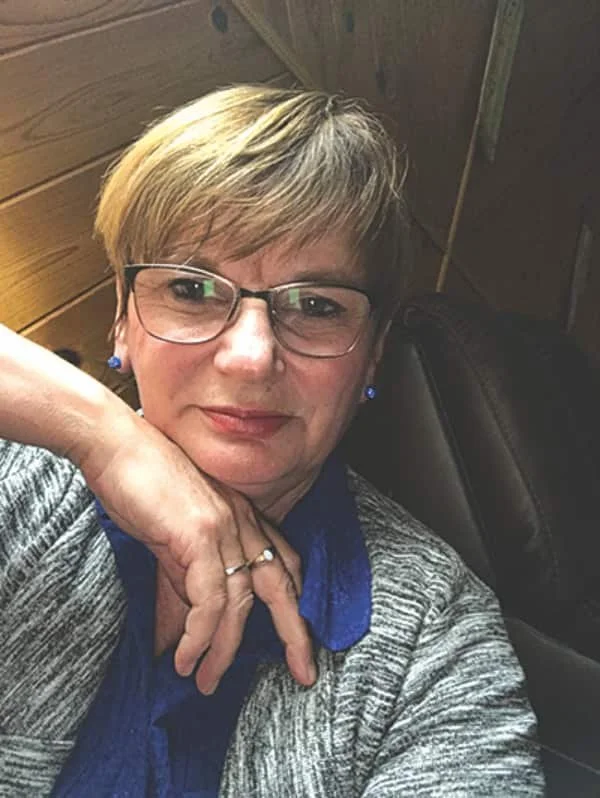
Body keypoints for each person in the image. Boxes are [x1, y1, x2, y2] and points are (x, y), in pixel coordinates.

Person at [0, 84, 544, 796]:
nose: (251, 358)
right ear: (123, 321)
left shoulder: (431, 635)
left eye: (315, 305)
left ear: (372, 356)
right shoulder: (20, 488)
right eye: (192, 290)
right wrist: (105, 437)